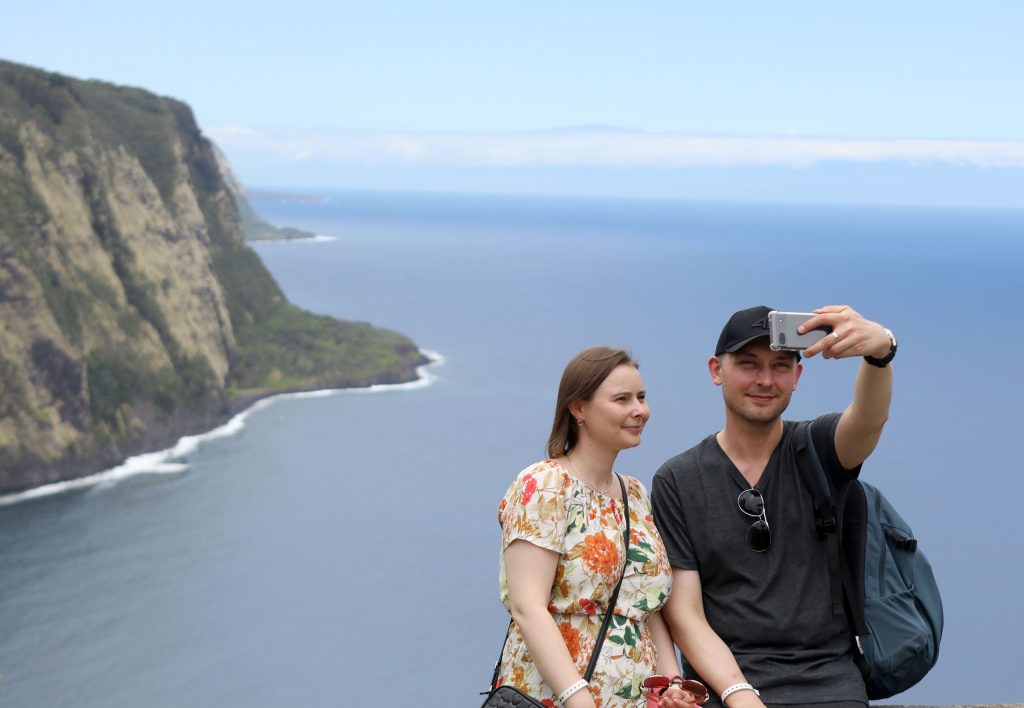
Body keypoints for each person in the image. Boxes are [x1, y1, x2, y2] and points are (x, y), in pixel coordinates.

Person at [651, 305, 897, 708]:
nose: (765, 380)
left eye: (780, 366)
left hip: (828, 683)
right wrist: (738, 692)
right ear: (716, 370)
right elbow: (685, 614)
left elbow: (868, 420)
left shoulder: (821, 450)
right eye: (748, 364)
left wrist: (879, 354)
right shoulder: (678, 480)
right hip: (722, 685)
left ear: (797, 376)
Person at [496, 346, 699, 708]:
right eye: (622, 399)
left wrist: (670, 685)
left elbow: (643, 608)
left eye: (641, 397)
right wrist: (579, 699)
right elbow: (528, 608)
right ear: (578, 408)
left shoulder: (634, 494)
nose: (640, 410)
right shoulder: (544, 485)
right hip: (555, 698)